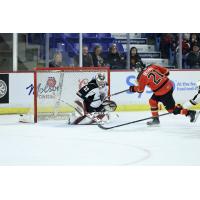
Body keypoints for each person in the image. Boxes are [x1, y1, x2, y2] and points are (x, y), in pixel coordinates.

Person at [129, 61, 197, 126]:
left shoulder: (141, 77)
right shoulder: (152, 66)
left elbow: (140, 90)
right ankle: (155, 119)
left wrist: (133, 88)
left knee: (171, 110)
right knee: (152, 101)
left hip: (162, 92)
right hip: (168, 86)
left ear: (137, 69)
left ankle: (189, 112)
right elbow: (167, 72)